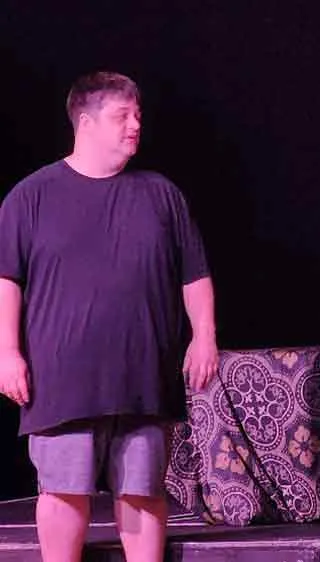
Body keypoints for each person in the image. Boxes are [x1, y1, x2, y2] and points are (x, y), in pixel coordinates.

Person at [0, 71, 218, 562]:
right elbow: (6, 280)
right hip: (62, 378)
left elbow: (195, 274)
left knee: (142, 489)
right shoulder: (32, 196)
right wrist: (7, 352)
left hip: (143, 373)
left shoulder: (162, 195)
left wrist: (204, 336)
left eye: (138, 114)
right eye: (123, 116)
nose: (136, 124)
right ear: (85, 121)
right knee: (63, 490)